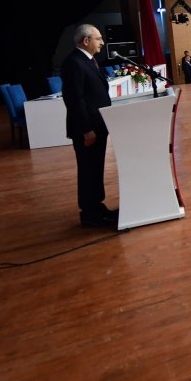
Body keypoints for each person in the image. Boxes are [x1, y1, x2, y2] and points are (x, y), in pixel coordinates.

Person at [61, 24, 117, 228]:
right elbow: (75, 100)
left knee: (96, 167)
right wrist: (86, 130)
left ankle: (97, 205)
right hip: (88, 130)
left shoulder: (89, 60)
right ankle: (89, 213)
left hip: (98, 127)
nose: (102, 42)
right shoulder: (74, 63)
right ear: (86, 41)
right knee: (88, 169)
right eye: (98, 38)